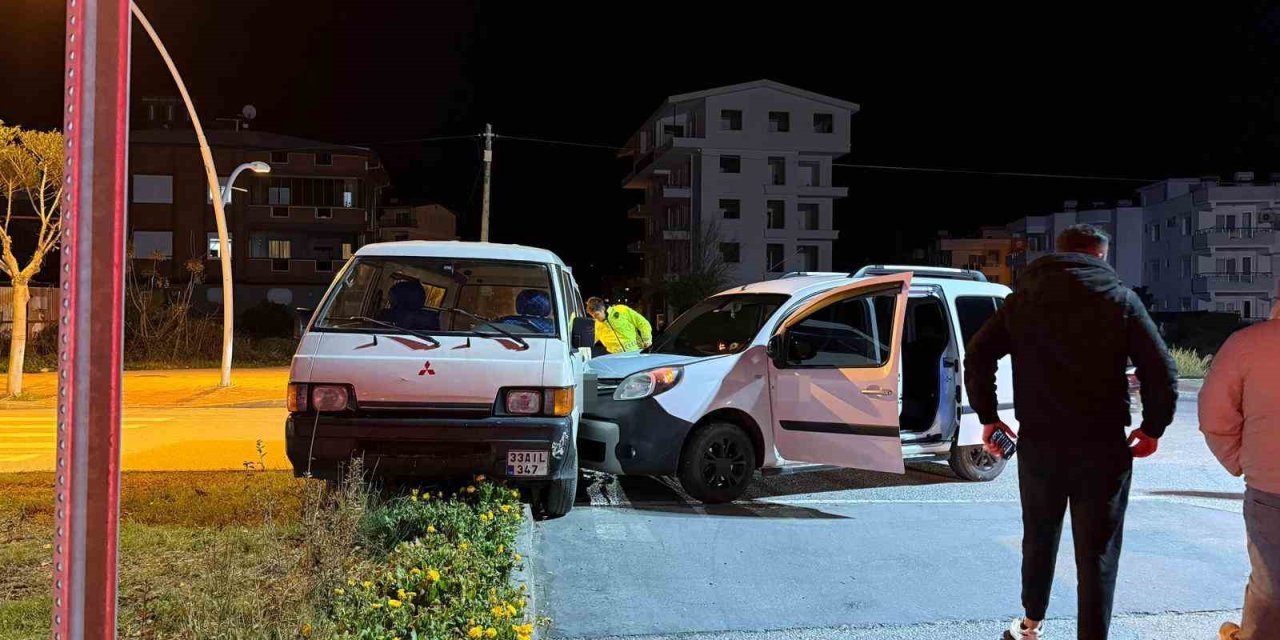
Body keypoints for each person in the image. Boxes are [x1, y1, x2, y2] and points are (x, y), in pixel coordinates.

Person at [964, 224, 1178, 640]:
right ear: (1100, 256)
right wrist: (1153, 427)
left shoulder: (1023, 300)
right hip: (1102, 446)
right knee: (1097, 550)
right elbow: (1162, 370)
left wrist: (989, 417)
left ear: (1060, 253)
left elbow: (977, 355)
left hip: (1041, 444)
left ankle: (1030, 625)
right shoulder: (1120, 299)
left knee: (1039, 535)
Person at [1199, 299, 1280, 640]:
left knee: (1271, 587)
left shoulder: (1248, 344)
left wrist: (1241, 461)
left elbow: (1214, 416)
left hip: (1271, 487)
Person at [586, 297, 652, 354]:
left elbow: (643, 323)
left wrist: (646, 340)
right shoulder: (597, 325)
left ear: (603, 309)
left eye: (597, 314)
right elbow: (590, 340)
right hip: (616, 359)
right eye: (593, 316)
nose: (596, 318)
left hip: (636, 353)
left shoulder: (621, 310)